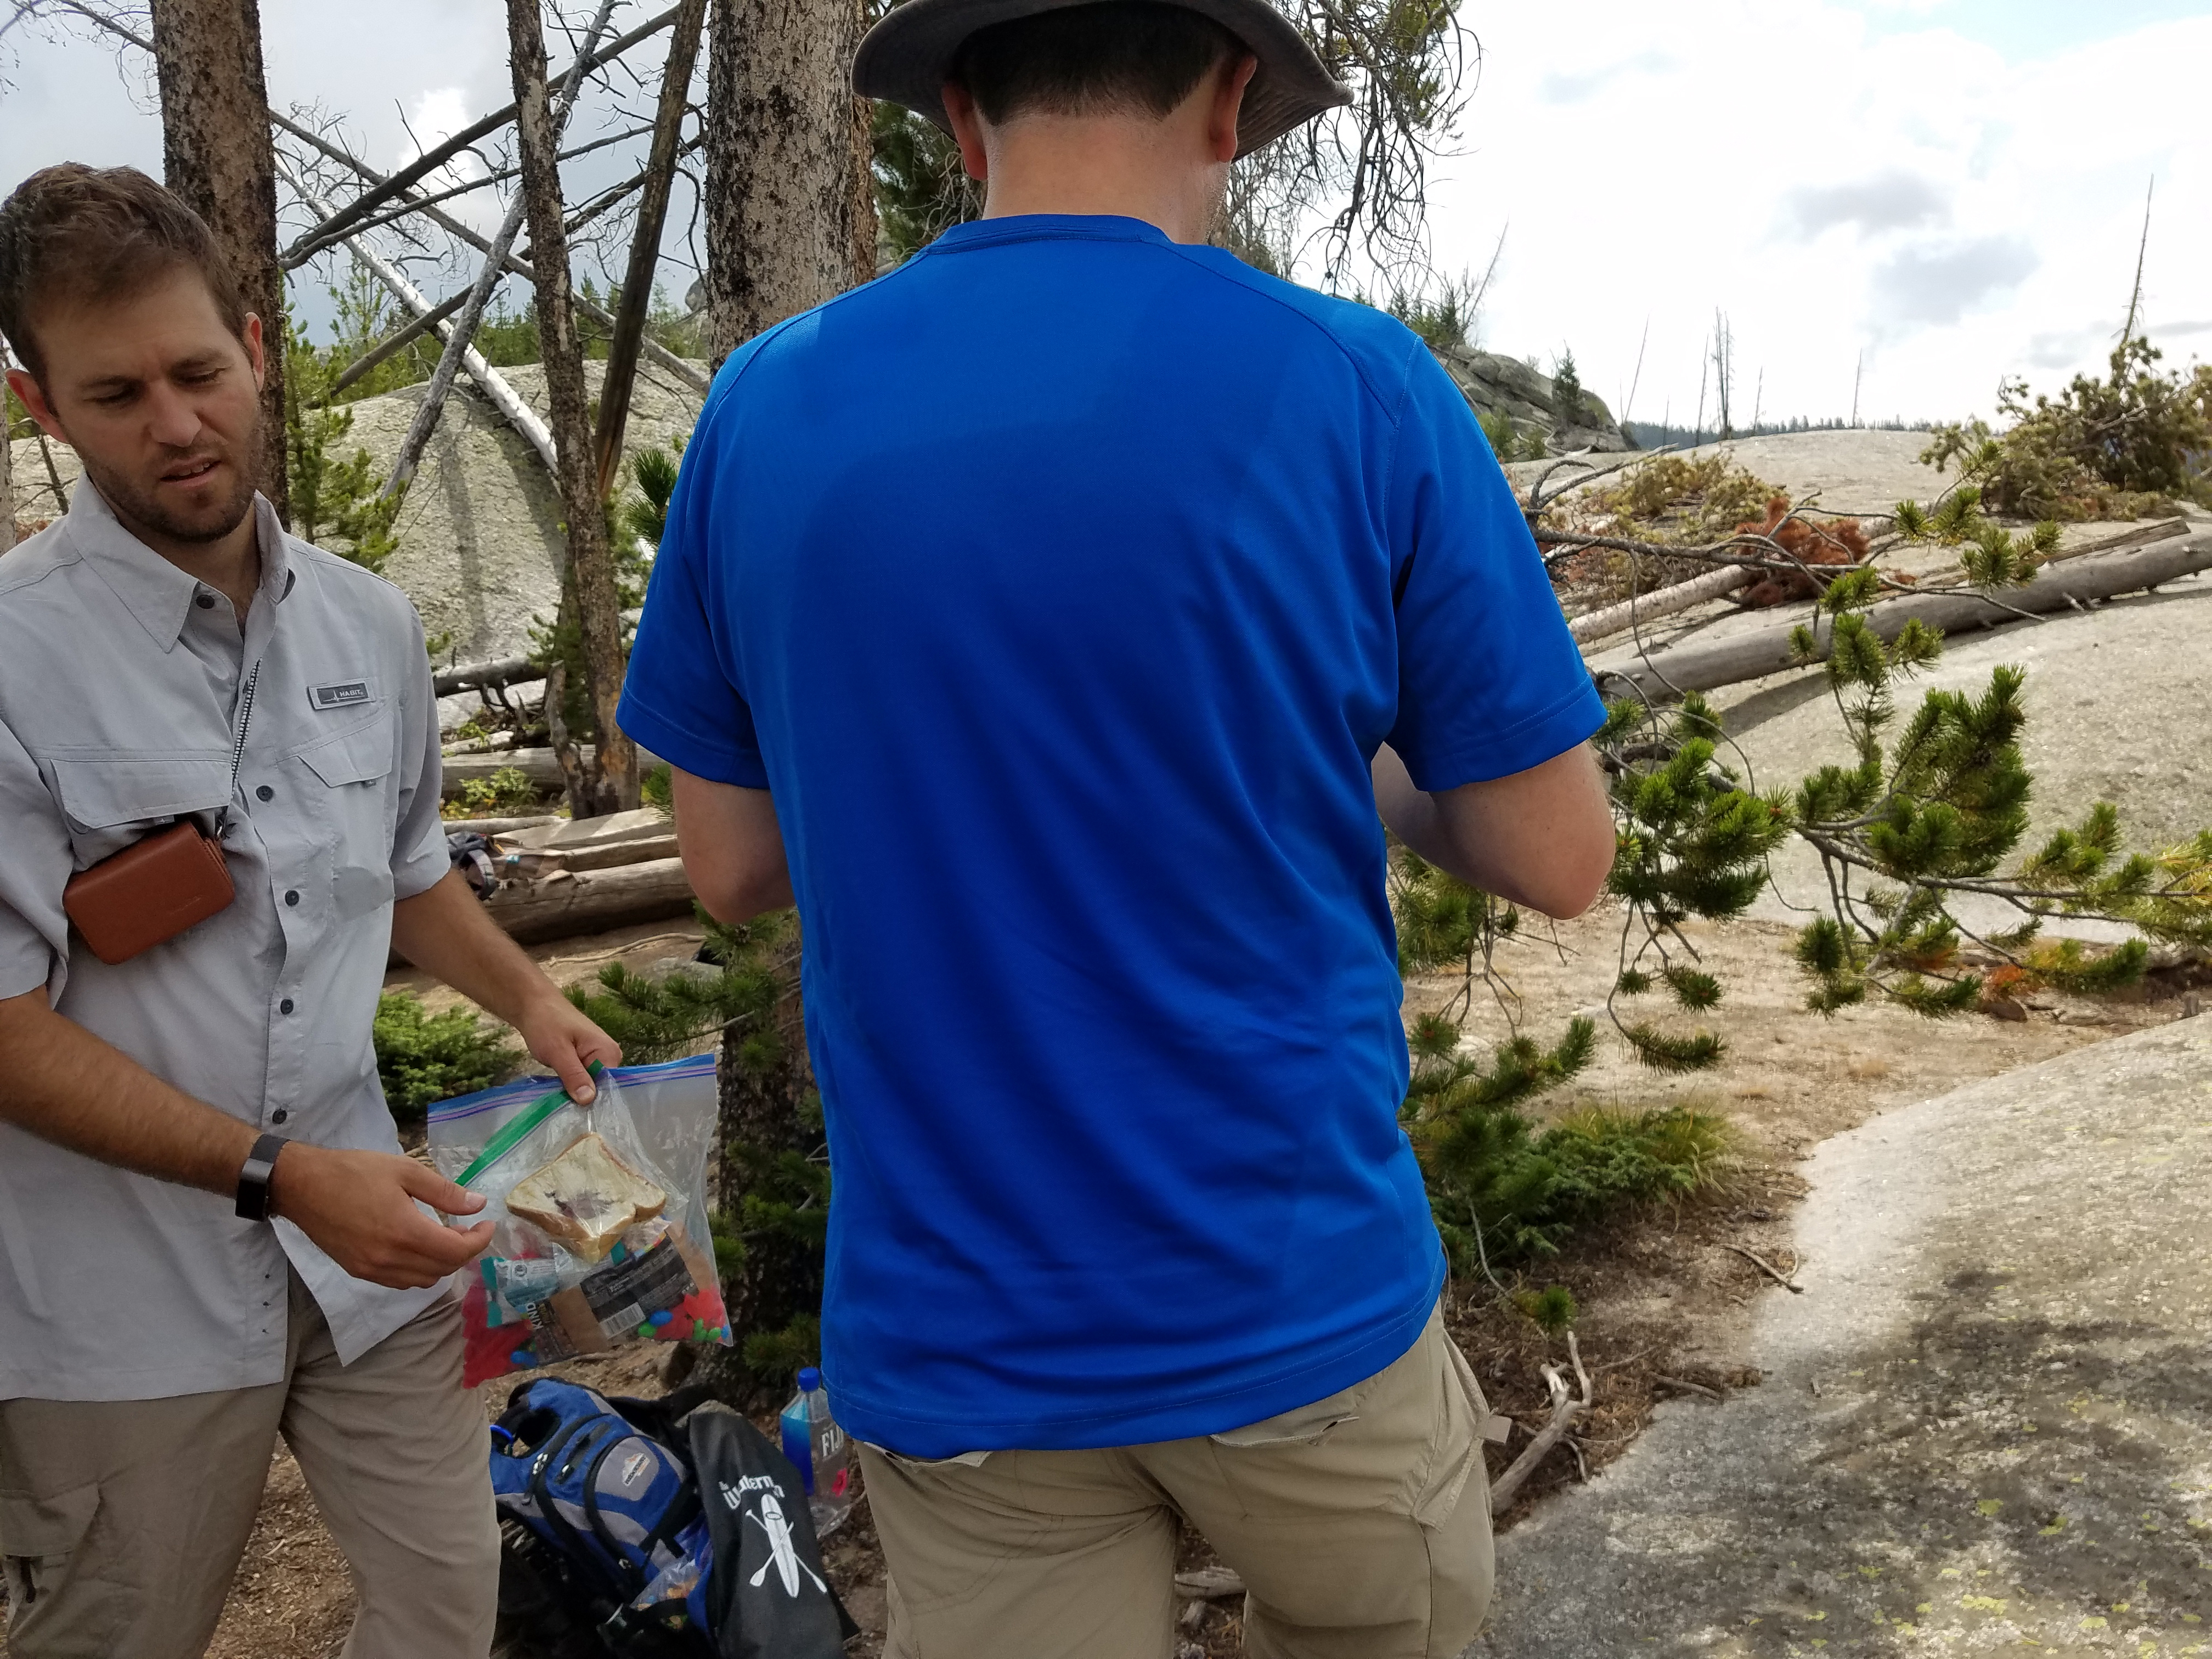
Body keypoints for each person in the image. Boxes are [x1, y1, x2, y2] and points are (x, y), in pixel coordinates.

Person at [618, 2, 1616, 1653]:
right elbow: (1558, 854)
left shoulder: (763, 406)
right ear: (1230, 99)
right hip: (1296, 1307)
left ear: (957, 115)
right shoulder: (1359, 388)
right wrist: (1332, 754)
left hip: (959, 1336)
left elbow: (726, 871)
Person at [0, 164, 621, 1659]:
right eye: (117, 392)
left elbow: (404, 870)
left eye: (200, 371)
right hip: (114, 1298)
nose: (175, 422)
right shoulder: (13, 664)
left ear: (258, 348)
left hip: (372, 1249)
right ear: (40, 406)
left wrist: (526, 1001)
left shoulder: (371, 624)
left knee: (444, 1609)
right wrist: (278, 1176)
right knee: (121, 1631)